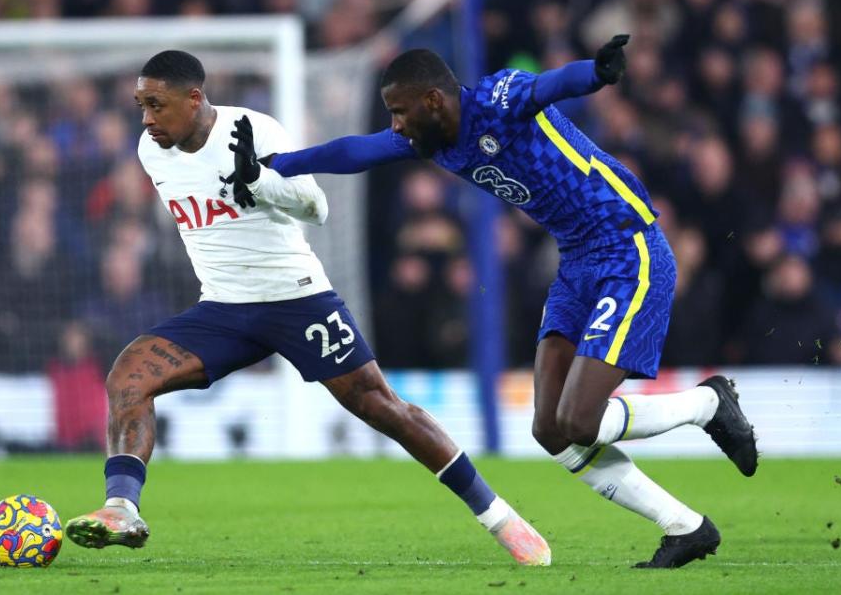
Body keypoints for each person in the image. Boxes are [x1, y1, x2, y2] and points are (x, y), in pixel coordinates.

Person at [228, 37, 759, 569]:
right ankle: (684, 526)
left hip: (628, 247)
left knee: (578, 419)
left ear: (433, 100)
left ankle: (708, 404)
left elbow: (551, 85)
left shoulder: (498, 100)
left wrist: (595, 73)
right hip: (577, 261)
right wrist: (278, 164)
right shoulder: (432, 141)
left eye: (398, 111)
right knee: (550, 430)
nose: (394, 124)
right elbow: (357, 150)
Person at [65, 50, 551, 566]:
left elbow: (316, 208)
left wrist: (260, 181)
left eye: (156, 105)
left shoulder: (253, 130)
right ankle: (121, 508)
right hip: (224, 308)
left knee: (383, 407)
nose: (146, 119)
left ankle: (499, 517)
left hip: (297, 299)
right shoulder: (151, 150)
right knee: (129, 377)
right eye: (141, 105)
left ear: (194, 98)